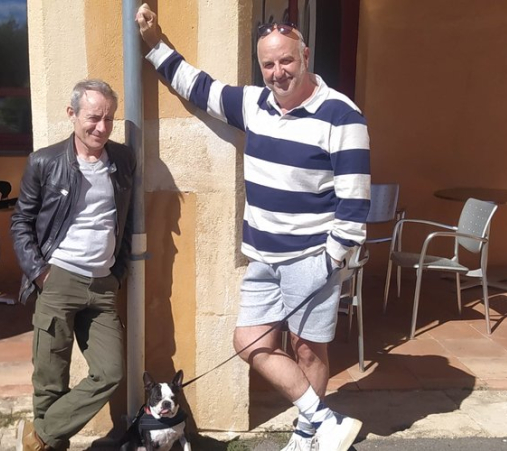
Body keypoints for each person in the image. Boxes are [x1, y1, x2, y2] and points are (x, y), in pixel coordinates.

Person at [136, 5, 370, 451]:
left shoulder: (342, 115)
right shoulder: (253, 103)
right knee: (247, 341)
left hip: (312, 256)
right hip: (263, 256)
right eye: (268, 64)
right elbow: (198, 87)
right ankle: (325, 420)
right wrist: (154, 45)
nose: (278, 72)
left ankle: (307, 437)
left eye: (286, 60)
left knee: (307, 349)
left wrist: (332, 258)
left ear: (305, 56)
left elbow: (355, 200)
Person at [10, 79, 135, 451]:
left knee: (110, 371)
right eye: (94, 118)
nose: (101, 127)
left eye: (109, 119)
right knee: (50, 378)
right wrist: (40, 273)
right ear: (72, 114)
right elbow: (20, 222)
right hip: (58, 278)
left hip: (102, 284)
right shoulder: (45, 162)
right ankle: (52, 444)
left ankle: (40, 436)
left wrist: (118, 272)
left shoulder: (124, 160)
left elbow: (127, 222)